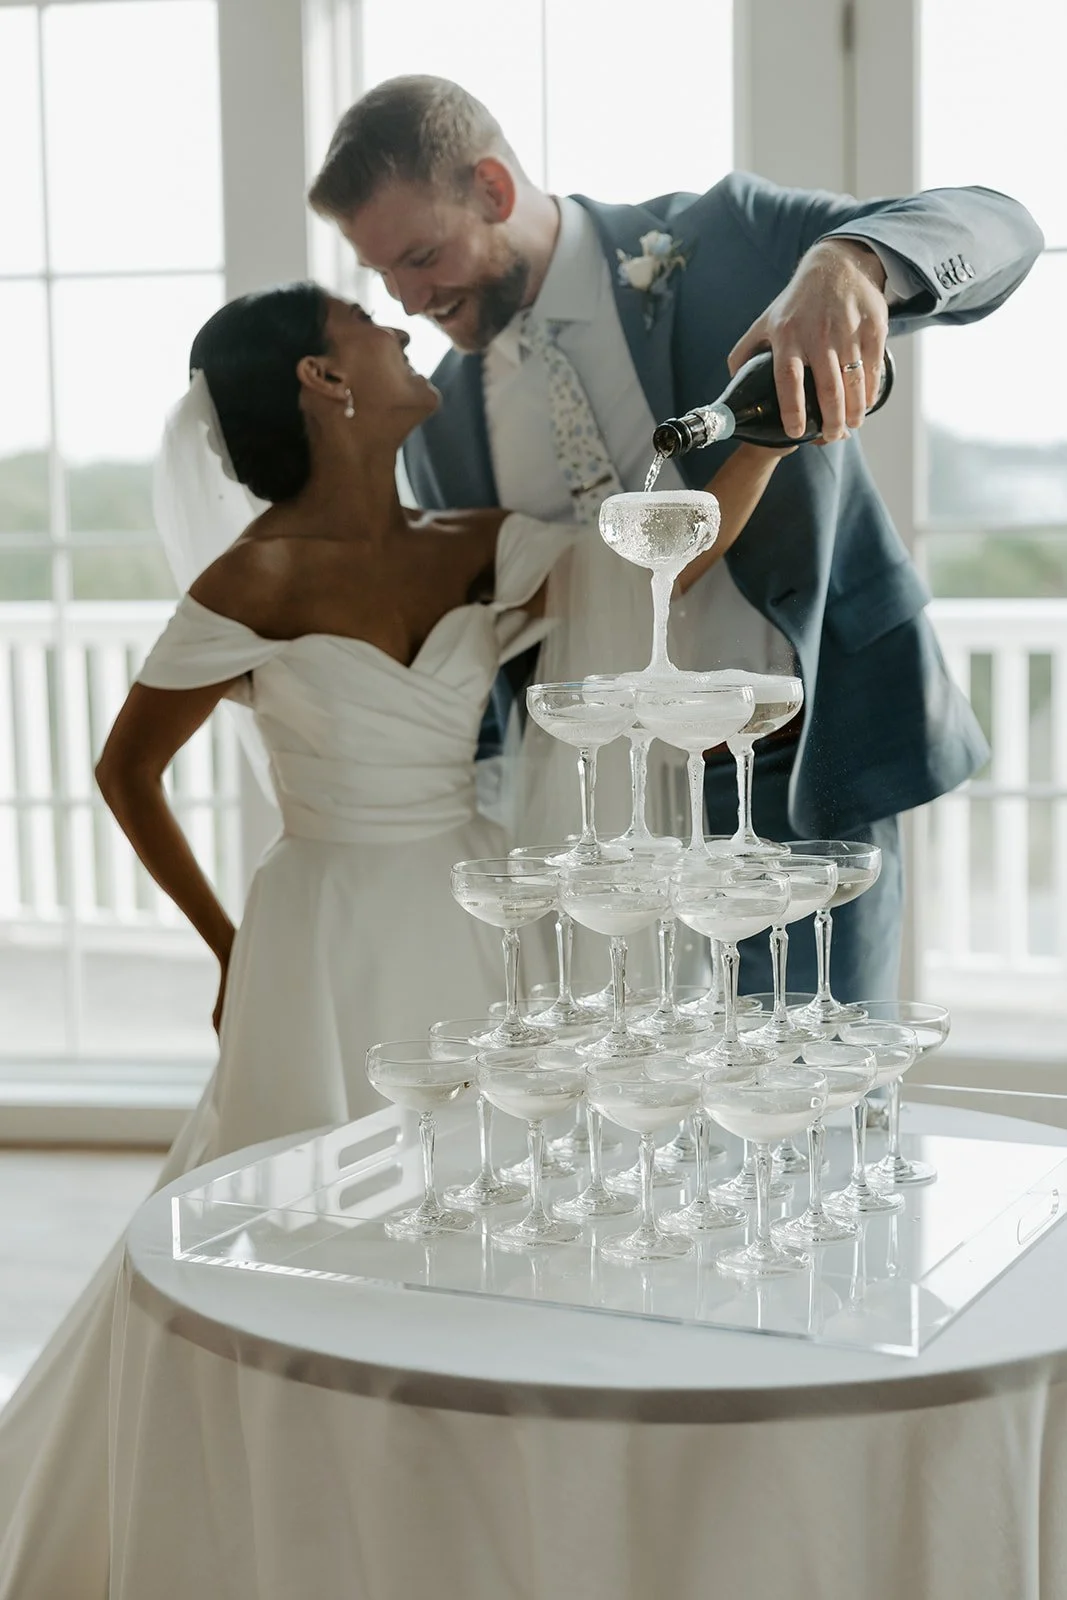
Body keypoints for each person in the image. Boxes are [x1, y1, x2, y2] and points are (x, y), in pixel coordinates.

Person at [0, 279, 788, 1599]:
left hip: (471, 920)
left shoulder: (471, 543)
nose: (400, 328)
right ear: (321, 380)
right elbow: (123, 774)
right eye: (366, 320)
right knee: (300, 1242)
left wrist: (765, 429)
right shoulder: (250, 574)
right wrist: (226, 945)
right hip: (319, 939)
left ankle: (456, 1528)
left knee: (482, 1221)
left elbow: (670, 549)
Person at [308, 73, 1045, 999]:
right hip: (604, 818)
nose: (409, 300)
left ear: (493, 191)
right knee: (645, 1117)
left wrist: (850, 262)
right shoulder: (442, 413)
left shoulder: (726, 240)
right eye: (381, 276)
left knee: (810, 1092)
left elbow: (999, 226)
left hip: (792, 763)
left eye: (420, 256)